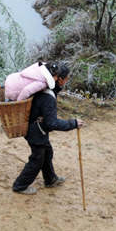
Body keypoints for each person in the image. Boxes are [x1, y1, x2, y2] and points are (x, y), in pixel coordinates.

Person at [12, 61, 84, 195]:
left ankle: (50, 179)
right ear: (59, 79)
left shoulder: (45, 88)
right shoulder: (48, 97)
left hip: (35, 127)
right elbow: (52, 123)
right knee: (37, 159)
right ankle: (20, 185)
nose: (67, 80)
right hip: (35, 130)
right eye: (66, 78)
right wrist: (72, 123)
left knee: (47, 152)